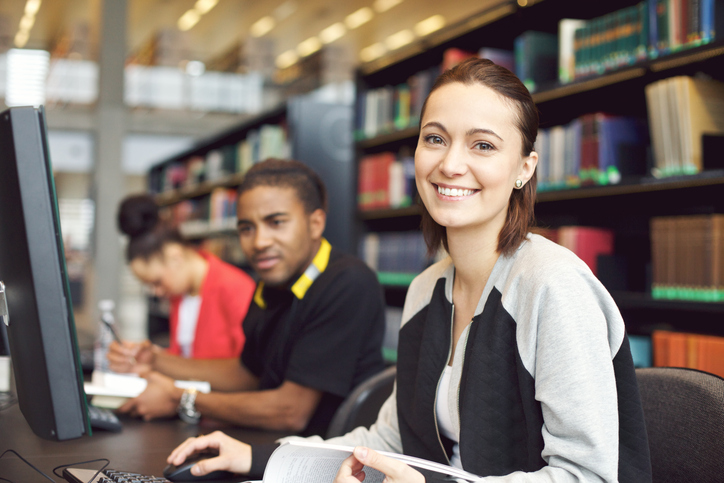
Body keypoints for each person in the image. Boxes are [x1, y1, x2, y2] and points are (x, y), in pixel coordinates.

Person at [165, 58, 652, 482]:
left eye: (482, 145)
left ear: (524, 168)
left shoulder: (552, 286)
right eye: (435, 138)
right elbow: (389, 439)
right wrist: (259, 458)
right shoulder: (426, 290)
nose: (450, 164)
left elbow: (587, 476)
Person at [109, 159, 386, 436]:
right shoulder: (269, 286)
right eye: (246, 228)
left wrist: (179, 397)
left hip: (322, 463)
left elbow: (290, 412)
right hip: (267, 445)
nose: (259, 242)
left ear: (315, 224)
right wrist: (156, 360)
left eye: (276, 223)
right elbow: (247, 374)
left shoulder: (347, 283)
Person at [115, 194, 255, 360]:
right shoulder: (180, 296)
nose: (157, 292)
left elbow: (247, 369)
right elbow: (186, 357)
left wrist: (159, 362)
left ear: (175, 257)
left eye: (157, 282)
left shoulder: (235, 288)